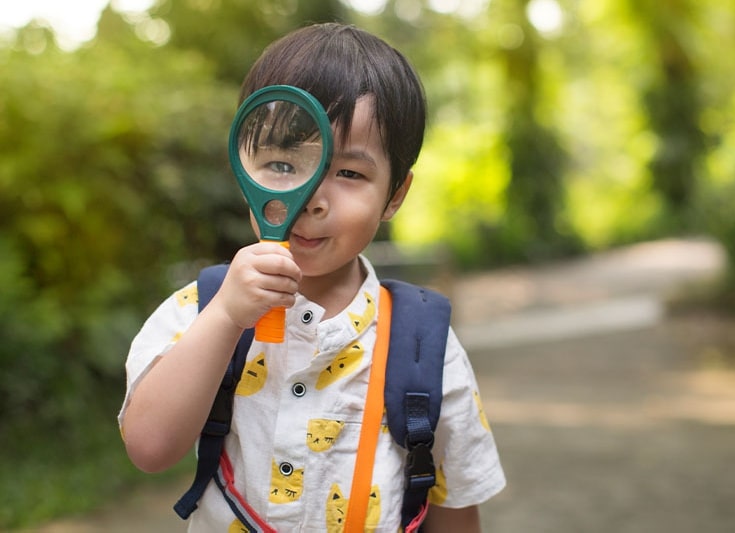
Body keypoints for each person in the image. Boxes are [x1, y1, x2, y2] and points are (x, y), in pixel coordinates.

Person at [119, 23, 506, 532]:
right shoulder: (200, 308)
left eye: (348, 173)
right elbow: (149, 448)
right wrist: (228, 317)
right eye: (283, 163)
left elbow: (456, 506)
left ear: (395, 194)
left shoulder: (422, 344)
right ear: (244, 169)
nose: (312, 198)